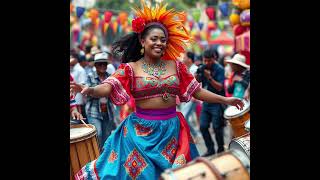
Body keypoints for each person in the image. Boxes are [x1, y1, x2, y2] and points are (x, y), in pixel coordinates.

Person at [71, 1, 244, 179]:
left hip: (173, 132)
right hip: (140, 134)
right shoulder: (130, 68)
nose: (159, 43)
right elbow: (108, 87)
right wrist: (89, 89)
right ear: (142, 41)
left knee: (179, 175)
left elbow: (197, 91)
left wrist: (225, 100)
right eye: (154, 39)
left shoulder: (177, 66)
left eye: (163, 40)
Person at [195, 47, 227, 157]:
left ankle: (221, 149)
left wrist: (209, 77)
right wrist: (197, 74)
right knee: (203, 126)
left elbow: (220, 87)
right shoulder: (203, 67)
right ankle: (210, 149)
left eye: (209, 60)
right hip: (206, 103)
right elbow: (196, 81)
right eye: (205, 60)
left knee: (217, 127)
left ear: (214, 59)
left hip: (217, 102)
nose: (207, 63)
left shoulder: (219, 69)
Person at [85, 52, 116, 150]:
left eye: (104, 64)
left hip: (108, 110)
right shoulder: (90, 76)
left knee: (107, 136)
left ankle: (103, 157)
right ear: (95, 65)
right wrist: (99, 91)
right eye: (100, 64)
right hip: (93, 111)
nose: (103, 66)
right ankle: (95, 156)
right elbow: (86, 92)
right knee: (97, 134)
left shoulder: (111, 77)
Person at [181, 51, 201, 141]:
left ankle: (195, 135)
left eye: (184, 57)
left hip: (193, 98)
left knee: (184, 117)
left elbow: (199, 84)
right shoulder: (188, 68)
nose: (183, 59)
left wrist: (194, 96)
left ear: (189, 59)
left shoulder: (195, 69)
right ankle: (194, 135)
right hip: (188, 98)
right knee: (185, 117)